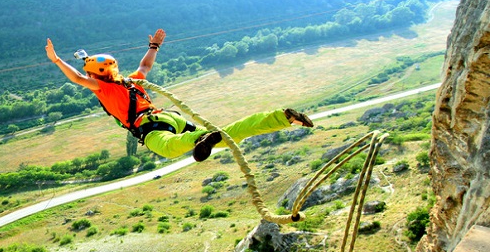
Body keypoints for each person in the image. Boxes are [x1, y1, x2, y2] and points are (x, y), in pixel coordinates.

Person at [44, 29, 313, 162]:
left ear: (95, 77)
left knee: (171, 150)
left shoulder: (105, 88)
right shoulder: (130, 82)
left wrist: (57, 61)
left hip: (152, 128)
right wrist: (154, 46)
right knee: (228, 135)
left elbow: (79, 79)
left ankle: (202, 138)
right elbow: (145, 66)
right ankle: (282, 118)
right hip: (171, 119)